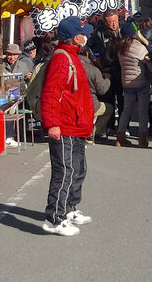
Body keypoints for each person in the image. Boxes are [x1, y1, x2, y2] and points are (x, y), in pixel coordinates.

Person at [41, 16, 95, 236]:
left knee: (77, 169)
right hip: (64, 125)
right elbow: (50, 93)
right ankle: (55, 217)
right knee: (64, 171)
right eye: (83, 33)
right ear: (74, 37)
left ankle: (70, 208)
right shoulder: (62, 59)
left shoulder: (73, 56)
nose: (86, 36)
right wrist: (52, 123)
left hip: (75, 124)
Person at [117, 20, 152, 147]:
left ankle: (119, 137)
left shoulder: (120, 48)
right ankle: (142, 139)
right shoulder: (139, 47)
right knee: (142, 112)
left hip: (126, 83)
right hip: (140, 82)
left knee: (126, 111)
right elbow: (149, 63)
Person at [88, 10, 122, 133]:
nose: (113, 24)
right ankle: (110, 126)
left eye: (115, 21)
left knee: (122, 99)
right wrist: (96, 59)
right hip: (106, 70)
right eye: (110, 22)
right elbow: (88, 47)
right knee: (108, 98)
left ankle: (123, 127)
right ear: (105, 22)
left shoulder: (124, 30)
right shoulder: (99, 33)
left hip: (122, 69)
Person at [78, 45, 111, 144]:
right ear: (87, 54)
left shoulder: (69, 65)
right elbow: (102, 90)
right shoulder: (93, 70)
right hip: (90, 103)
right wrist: (108, 79)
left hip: (73, 102)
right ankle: (94, 132)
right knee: (108, 109)